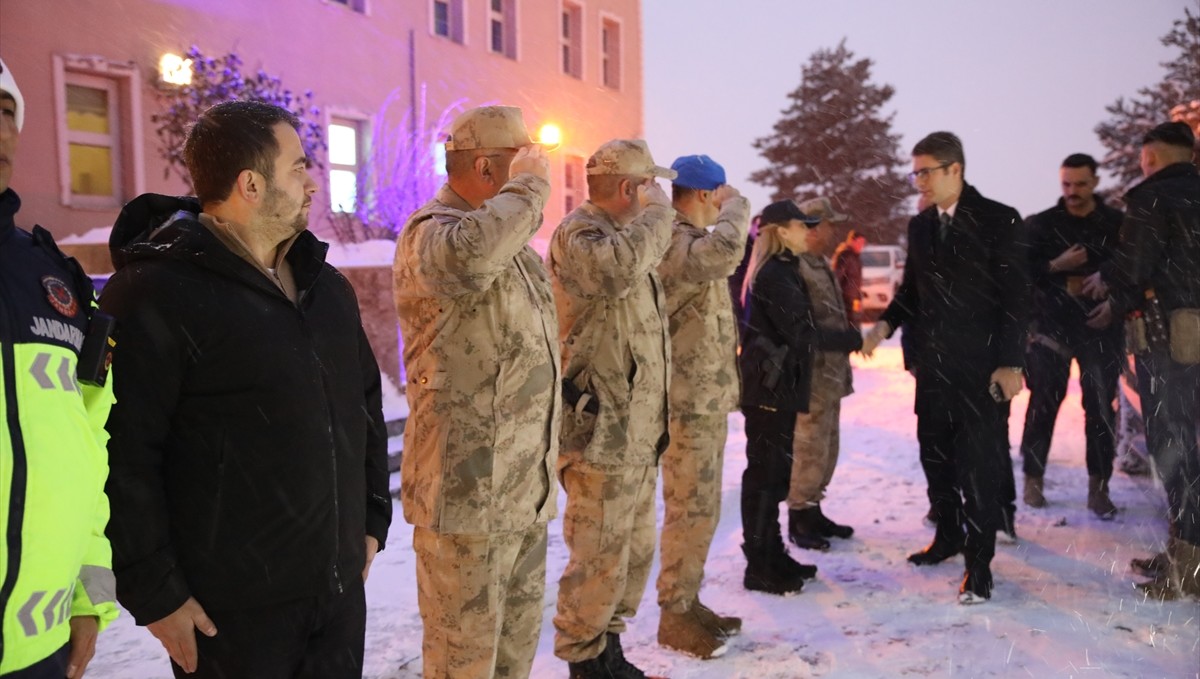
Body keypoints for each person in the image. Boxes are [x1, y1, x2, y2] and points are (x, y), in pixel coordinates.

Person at [100, 101, 392, 678]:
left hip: (335, 604)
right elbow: (122, 453)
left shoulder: (325, 286)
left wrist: (372, 521)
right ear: (251, 184)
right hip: (229, 618)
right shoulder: (154, 294)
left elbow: (364, 407)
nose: (313, 184)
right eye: (299, 168)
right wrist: (155, 592)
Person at [393, 105, 560, 679]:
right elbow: (467, 260)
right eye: (522, 160)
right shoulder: (432, 234)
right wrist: (531, 187)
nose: (537, 171)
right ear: (488, 168)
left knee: (513, 656)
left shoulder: (511, 244)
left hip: (521, 491)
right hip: (465, 498)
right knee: (463, 661)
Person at [864, 131, 1028, 604]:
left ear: (955, 169)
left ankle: (980, 568)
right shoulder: (921, 227)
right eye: (914, 172)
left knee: (979, 468)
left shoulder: (999, 219)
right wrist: (884, 326)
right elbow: (912, 292)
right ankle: (949, 537)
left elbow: (1018, 297)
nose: (918, 182)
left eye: (925, 172)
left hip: (982, 371)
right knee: (936, 460)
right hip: (933, 369)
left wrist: (1011, 362)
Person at [0, 55, 118, 679]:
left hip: (40, 651)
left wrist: (87, 596)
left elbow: (89, 445)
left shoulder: (57, 282)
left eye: (6, 112)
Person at [548, 139, 674, 678]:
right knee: (598, 552)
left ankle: (610, 644)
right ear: (631, 188)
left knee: (633, 549)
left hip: (637, 431)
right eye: (650, 185)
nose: (657, 196)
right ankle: (585, 657)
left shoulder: (626, 238)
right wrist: (662, 216)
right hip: (600, 432)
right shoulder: (583, 235)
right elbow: (617, 271)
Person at [1083, 121, 1200, 600]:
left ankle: (1188, 563)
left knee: (1172, 444)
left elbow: (1135, 265)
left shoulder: (1150, 196)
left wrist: (1106, 280)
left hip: (1166, 337)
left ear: (1151, 158)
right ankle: (1184, 550)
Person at [738, 200, 861, 596]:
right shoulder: (774, 273)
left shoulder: (786, 269)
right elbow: (802, 334)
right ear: (780, 231)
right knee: (765, 478)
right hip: (770, 389)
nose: (807, 230)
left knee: (773, 478)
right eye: (799, 224)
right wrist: (855, 339)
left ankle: (772, 553)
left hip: (783, 387)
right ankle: (760, 564)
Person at [653, 154, 750, 659]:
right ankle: (674, 612)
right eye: (718, 198)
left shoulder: (689, 240)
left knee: (702, 508)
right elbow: (726, 252)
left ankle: (687, 602)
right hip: (685, 405)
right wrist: (739, 205)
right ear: (708, 195)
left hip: (704, 400)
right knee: (689, 508)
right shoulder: (676, 240)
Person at [1020, 153, 1124, 517]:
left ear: (1095, 182)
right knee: (1042, 406)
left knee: (1100, 410)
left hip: (1101, 328)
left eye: (1080, 184)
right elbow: (1019, 275)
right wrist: (1055, 266)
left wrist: (1114, 295)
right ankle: (1033, 479)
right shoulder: (1043, 225)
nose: (1073, 192)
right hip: (1052, 328)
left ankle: (1099, 487)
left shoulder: (1116, 224)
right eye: (1066, 184)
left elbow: (1136, 268)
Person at [785, 197, 860, 552]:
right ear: (813, 228)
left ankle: (814, 509)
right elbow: (801, 329)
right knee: (809, 448)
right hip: (812, 379)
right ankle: (799, 516)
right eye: (829, 224)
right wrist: (844, 338)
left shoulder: (818, 263)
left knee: (827, 446)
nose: (834, 230)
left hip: (830, 376)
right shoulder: (797, 266)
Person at [832, 228, 867, 330]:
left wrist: (858, 298)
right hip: (843, 299)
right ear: (852, 241)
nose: (862, 246)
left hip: (851, 300)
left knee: (853, 327)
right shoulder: (845, 255)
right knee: (847, 327)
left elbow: (856, 280)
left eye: (863, 243)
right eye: (859, 242)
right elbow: (837, 276)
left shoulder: (856, 257)